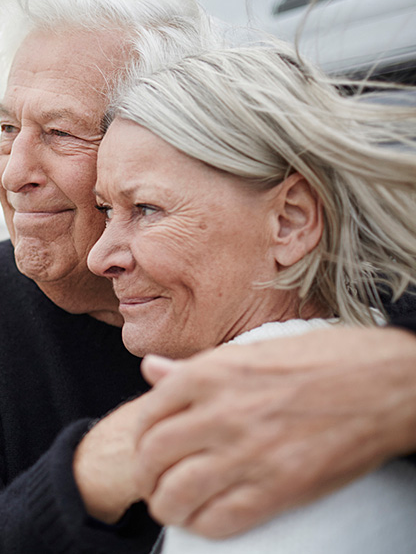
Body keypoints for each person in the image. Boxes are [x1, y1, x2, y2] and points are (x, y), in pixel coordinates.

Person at [0, 0, 416, 554]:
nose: (14, 172)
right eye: (6, 127)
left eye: (60, 132)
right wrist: (101, 465)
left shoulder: (381, 297)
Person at [86, 42, 416, 552]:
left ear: (291, 221)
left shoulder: (261, 456)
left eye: (147, 208)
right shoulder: (365, 384)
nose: (99, 256)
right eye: (106, 209)